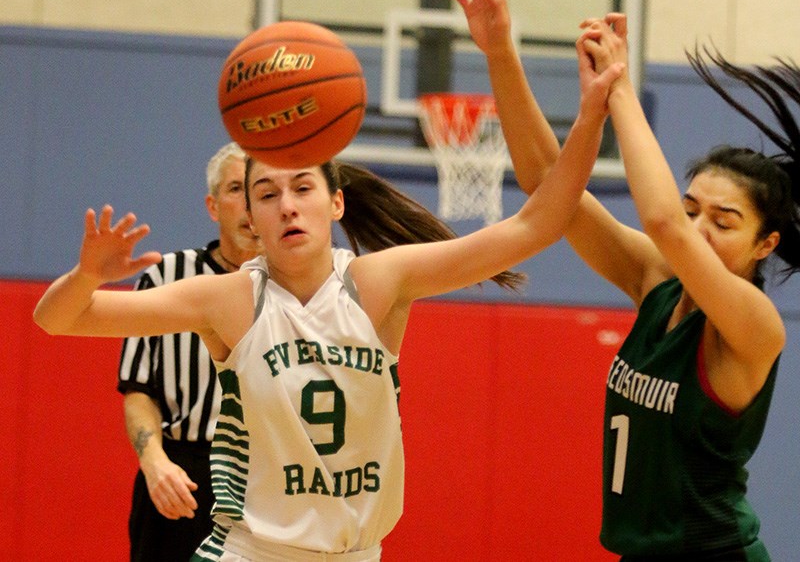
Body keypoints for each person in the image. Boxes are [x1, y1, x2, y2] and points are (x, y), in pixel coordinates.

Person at [31, 53, 624, 562]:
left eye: (302, 188)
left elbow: (539, 222)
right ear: (250, 218)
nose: (286, 206)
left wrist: (591, 113)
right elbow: (57, 320)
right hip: (254, 550)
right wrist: (86, 276)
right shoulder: (230, 298)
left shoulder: (378, 282)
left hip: (360, 552)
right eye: (266, 194)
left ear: (336, 203)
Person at [445, 0, 800, 560]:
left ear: (766, 245)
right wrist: (500, 50)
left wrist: (619, 89)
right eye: (694, 210)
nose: (699, 228)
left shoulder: (753, 328)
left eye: (724, 222)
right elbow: (544, 183)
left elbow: (663, 223)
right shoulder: (655, 280)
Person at [119, 142, 262, 561]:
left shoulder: (298, 286)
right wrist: (154, 461)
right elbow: (138, 390)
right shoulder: (167, 277)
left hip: (271, 479)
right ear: (213, 205)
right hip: (185, 474)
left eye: (261, 191)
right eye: (237, 189)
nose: (250, 204)